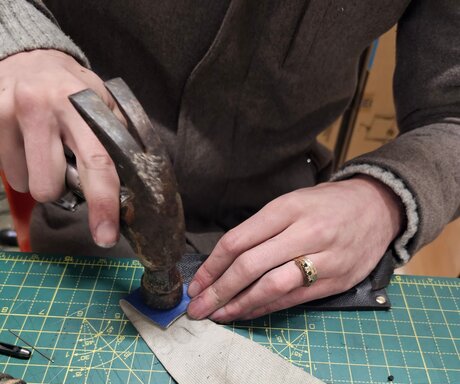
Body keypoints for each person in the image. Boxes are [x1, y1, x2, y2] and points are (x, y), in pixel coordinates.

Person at [0, 1, 459, 323]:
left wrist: (383, 198)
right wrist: (16, 38)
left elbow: (451, 114)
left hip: (289, 230)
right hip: (87, 228)